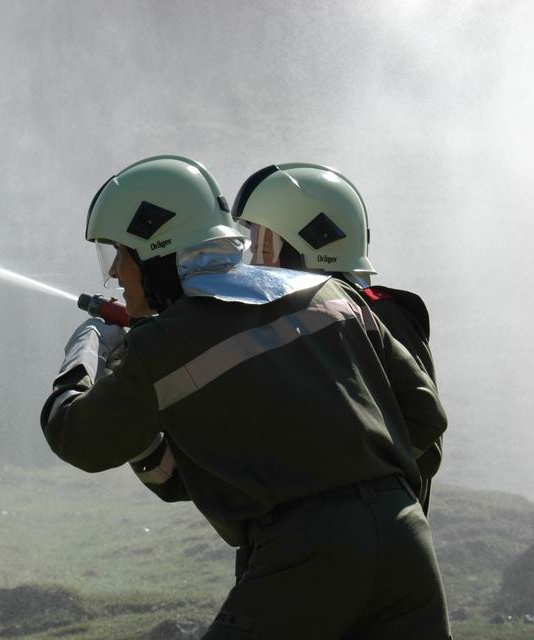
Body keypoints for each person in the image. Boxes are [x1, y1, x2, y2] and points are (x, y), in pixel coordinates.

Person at [40, 155, 451, 639]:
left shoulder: (161, 346)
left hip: (305, 555)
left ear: (153, 249)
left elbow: (78, 439)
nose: (114, 274)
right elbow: (426, 417)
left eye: (119, 254)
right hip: (407, 542)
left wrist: (85, 352)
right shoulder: (329, 293)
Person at [231, 163, 441, 515]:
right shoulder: (292, 329)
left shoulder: (380, 316)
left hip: (365, 530)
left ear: (311, 241)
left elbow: (423, 445)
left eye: (264, 246)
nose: (253, 263)